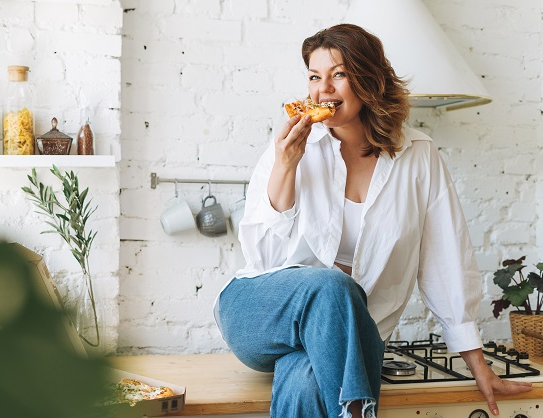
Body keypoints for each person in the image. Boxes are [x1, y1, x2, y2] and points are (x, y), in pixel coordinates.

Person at [213, 23, 532, 418]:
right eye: (314, 77)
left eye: (339, 74)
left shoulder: (418, 155)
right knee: (333, 286)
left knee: (306, 380)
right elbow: (264, 260)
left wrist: (478, 366)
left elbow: (446, 260)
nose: (323, 89)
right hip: (260, 313)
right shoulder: (292, 148)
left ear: (368, 79)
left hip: (348, 340)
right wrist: (285, 168)